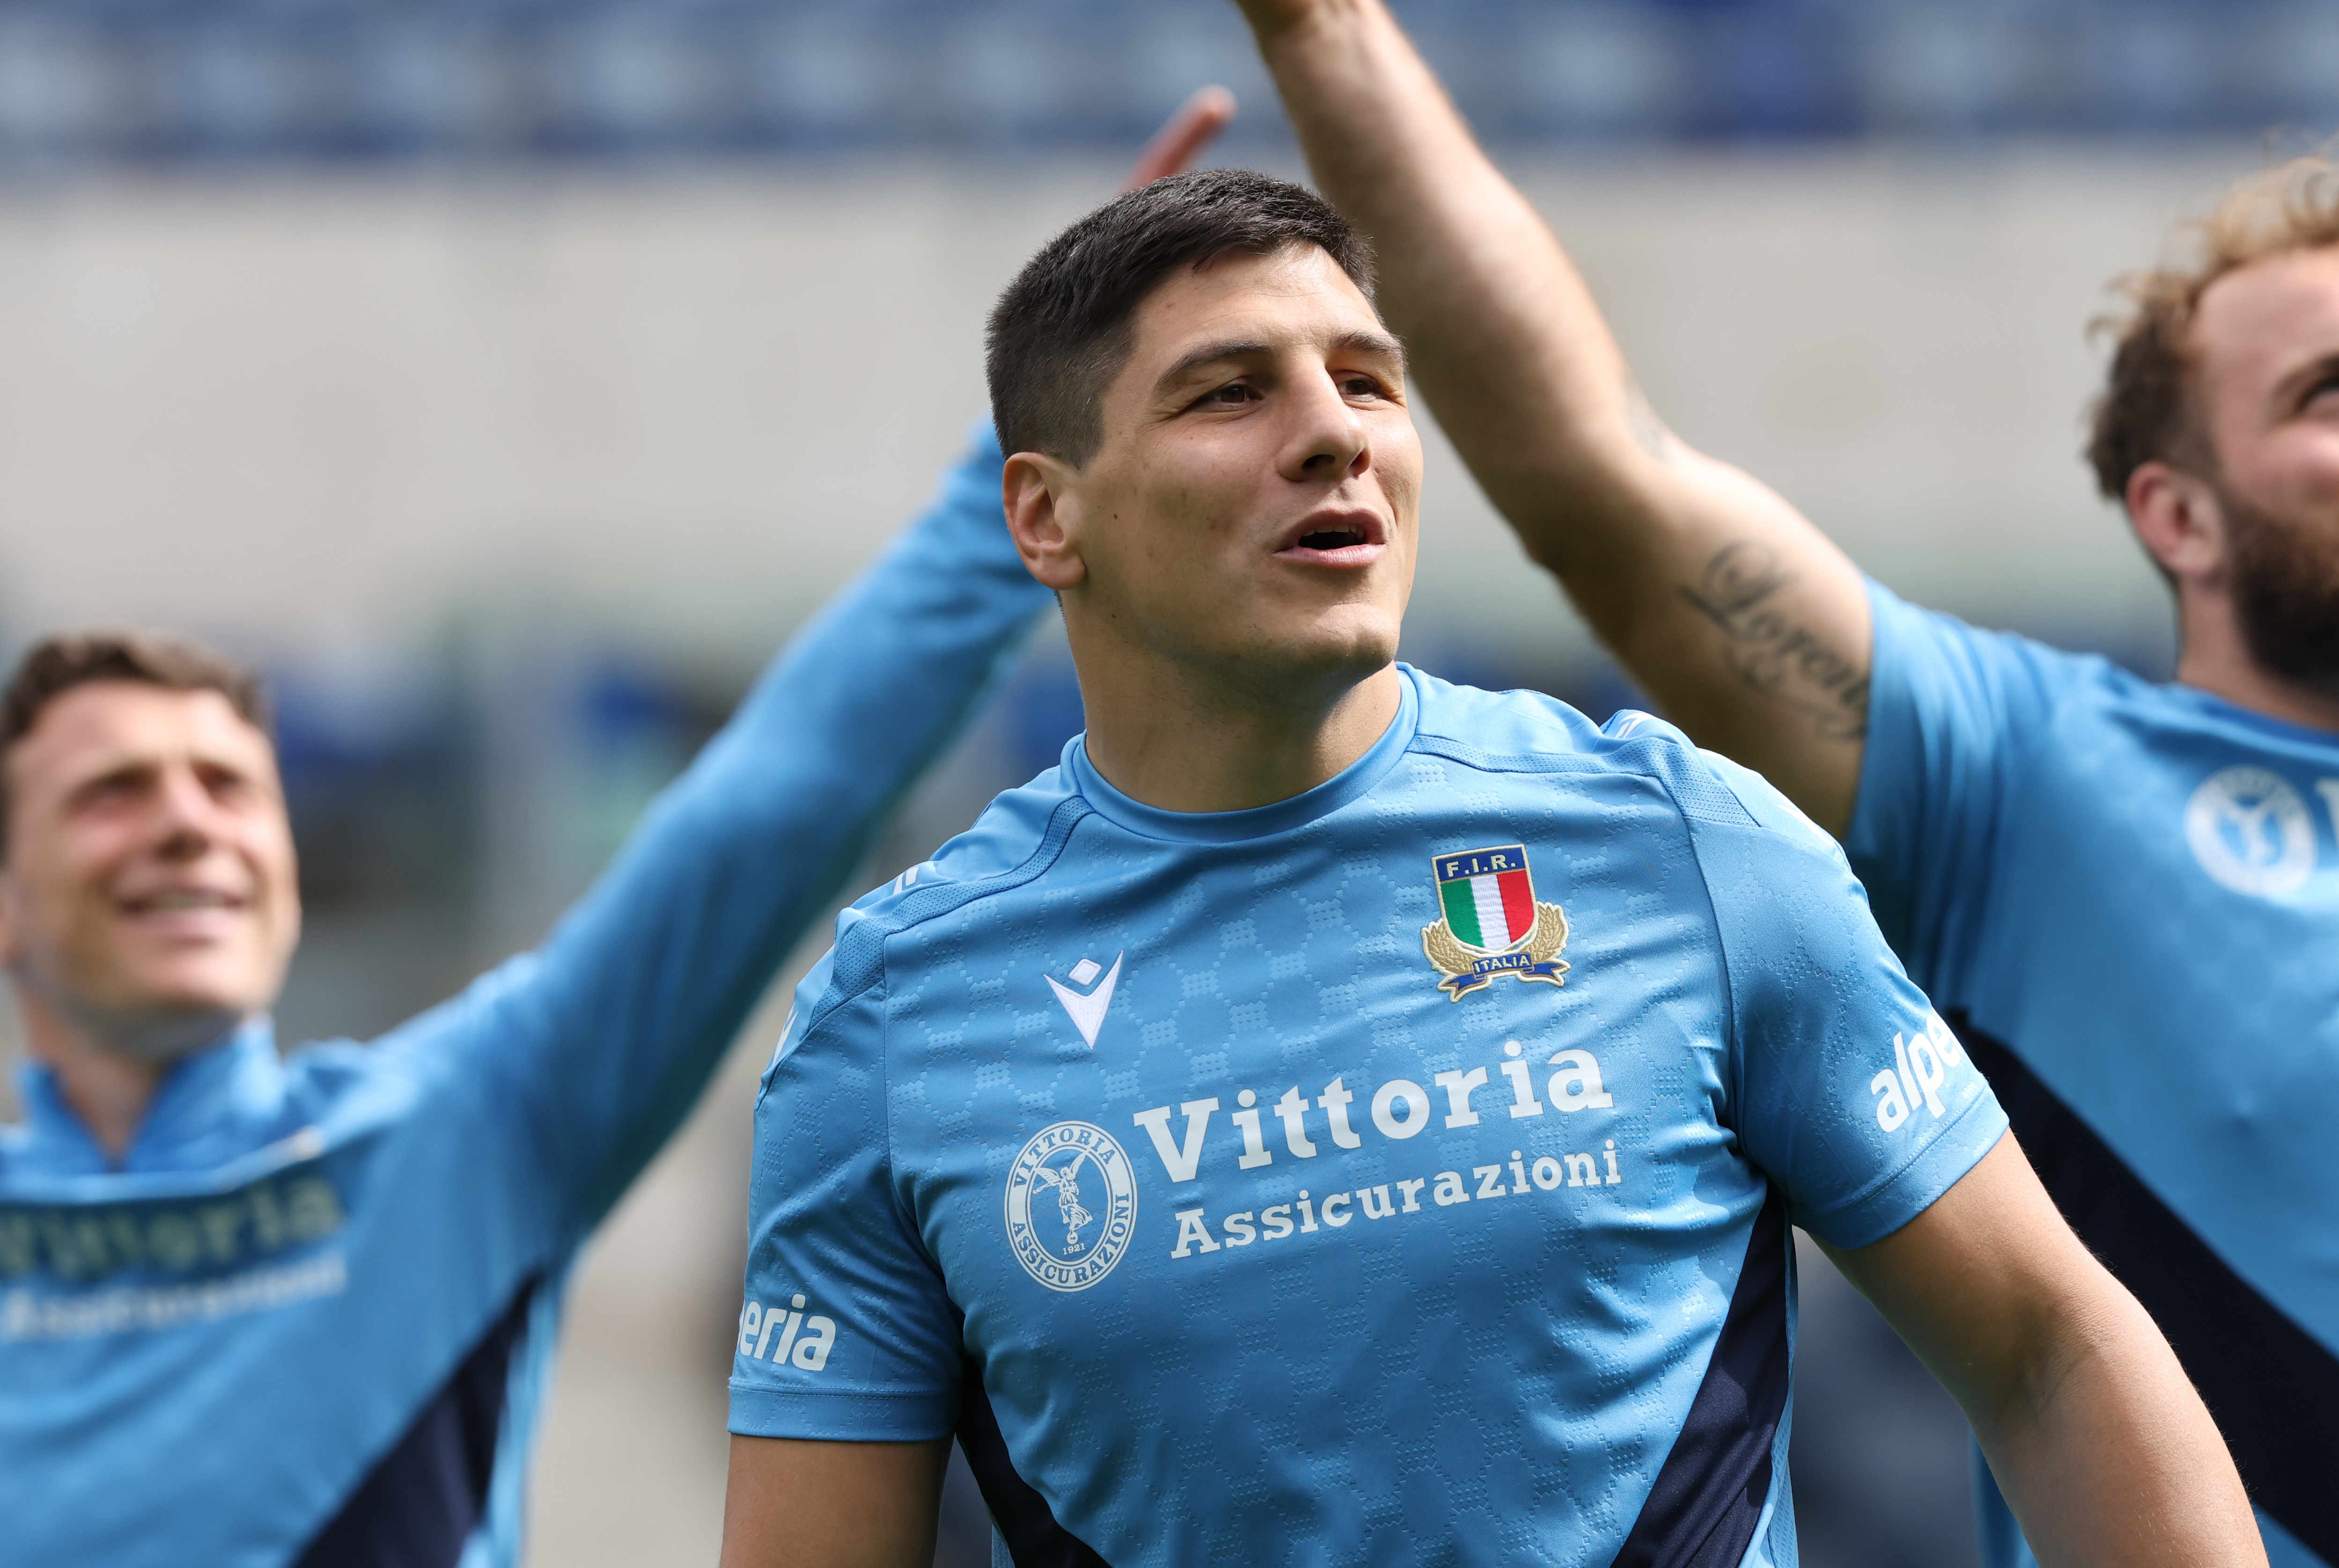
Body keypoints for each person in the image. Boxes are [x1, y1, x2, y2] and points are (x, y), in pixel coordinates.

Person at [716, 167, 2260, 1568]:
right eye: (1226, 394)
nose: (1333, 433)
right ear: (1047, 517)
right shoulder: (896, 1019)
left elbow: (2049, 1347)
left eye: (1368, 382)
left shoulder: (1684, 849)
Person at [0, 98, 1233, 1568]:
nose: (187, 828)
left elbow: (768, 805)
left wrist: (1020, 467)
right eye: (112, 793)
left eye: (227, 790)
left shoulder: (460, 1131)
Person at [1225, 4, 2339, 1566]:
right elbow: (1595, 477)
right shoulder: (2030, 781)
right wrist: (1322, 29)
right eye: (2324, 395)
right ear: (2179, 516)